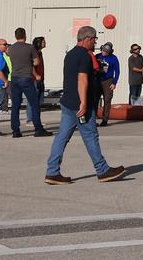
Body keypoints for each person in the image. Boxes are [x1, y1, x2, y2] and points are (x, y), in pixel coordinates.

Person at [44, 26, 124, 185]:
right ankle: (102, 170)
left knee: (62, 136)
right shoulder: (85, 56)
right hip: (80, 106)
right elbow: (82, 80)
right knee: (90, 136)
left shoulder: (70, 55)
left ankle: (52, 172)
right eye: (94, 39)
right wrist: (83, 103)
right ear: (88, 38)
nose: (95, 43)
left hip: (67, 103)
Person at [7, 27, 48, 138]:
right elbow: (36, 62)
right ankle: (38, 129)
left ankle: (15, 131)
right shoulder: (30, 47)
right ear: (25, 35)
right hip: (26, 77)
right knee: (34, 103)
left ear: (15, 36)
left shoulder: (10, 49)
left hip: (14, 78)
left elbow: (9, 57)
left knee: (15, 105)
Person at [96, 42, 120, 126]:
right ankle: (93, 119)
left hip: (108, 80)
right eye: (103, 50)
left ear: (110, 52)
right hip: (97, 80)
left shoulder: (113, 58)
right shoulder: (97, 56)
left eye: (106, 51)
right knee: (95, 100)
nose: (104, 52)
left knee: (107, 100)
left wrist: (114, 82)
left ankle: (105, 119)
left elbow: (117, 71)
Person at [32, 36, 47, 104]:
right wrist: (36, 75)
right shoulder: (34, 53)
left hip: (40, 79)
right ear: (38, 43)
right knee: (33, 100)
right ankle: (31, 114)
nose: (45, 43)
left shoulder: (40, 53)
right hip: (35, 80)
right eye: (43, 42)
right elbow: (31, 65)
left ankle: (36, 114)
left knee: (39, 101)